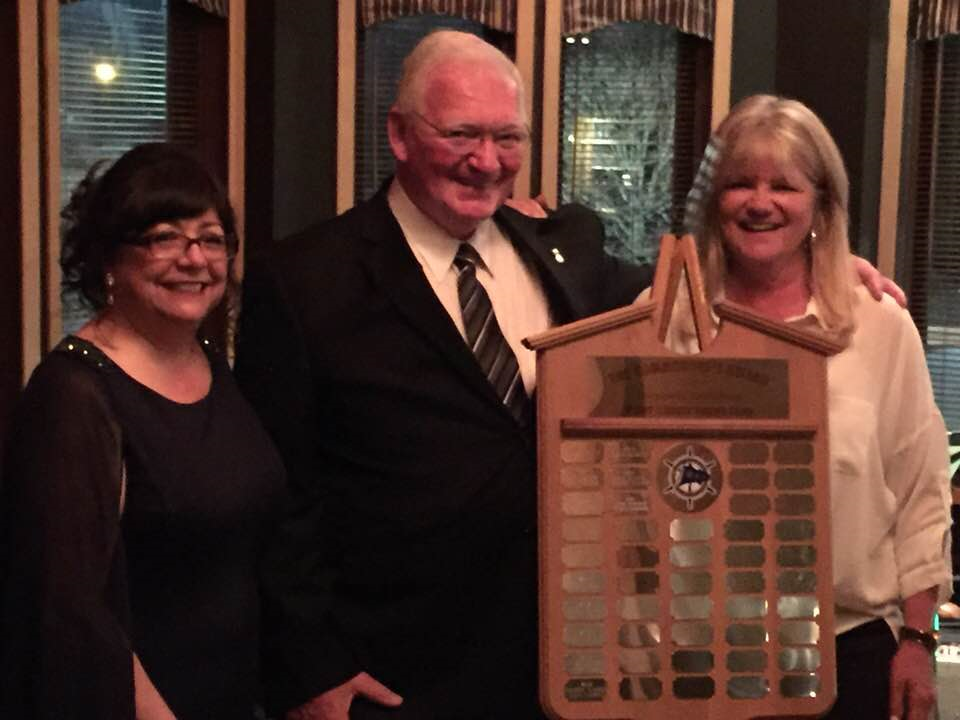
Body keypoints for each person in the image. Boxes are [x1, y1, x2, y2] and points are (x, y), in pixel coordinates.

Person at [236, 32, 905, 720]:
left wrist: (813, 265)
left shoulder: (566, 254)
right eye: (461, 133)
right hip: (396, 675)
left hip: (568, 667)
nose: (486, 161)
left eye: (508, 138)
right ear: (400, 135)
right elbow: (276, 498)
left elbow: (691, 291)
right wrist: (311, 667)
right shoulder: (303, 282)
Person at [655, 95, 953, 720]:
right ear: (715, 201)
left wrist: (919, 643)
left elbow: (921, 497)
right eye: (740, 183)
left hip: (851, 655)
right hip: (694, 659)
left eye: (784, 185)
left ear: (821, 202)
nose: (760, 202)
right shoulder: (664, 322)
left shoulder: (880, 326)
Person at [0, 143, 285, 719]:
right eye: (164, 238)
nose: (194, 259)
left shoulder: (210, 358)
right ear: (109, 257)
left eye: (210, 239)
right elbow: (73, 610)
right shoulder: (73, 393)